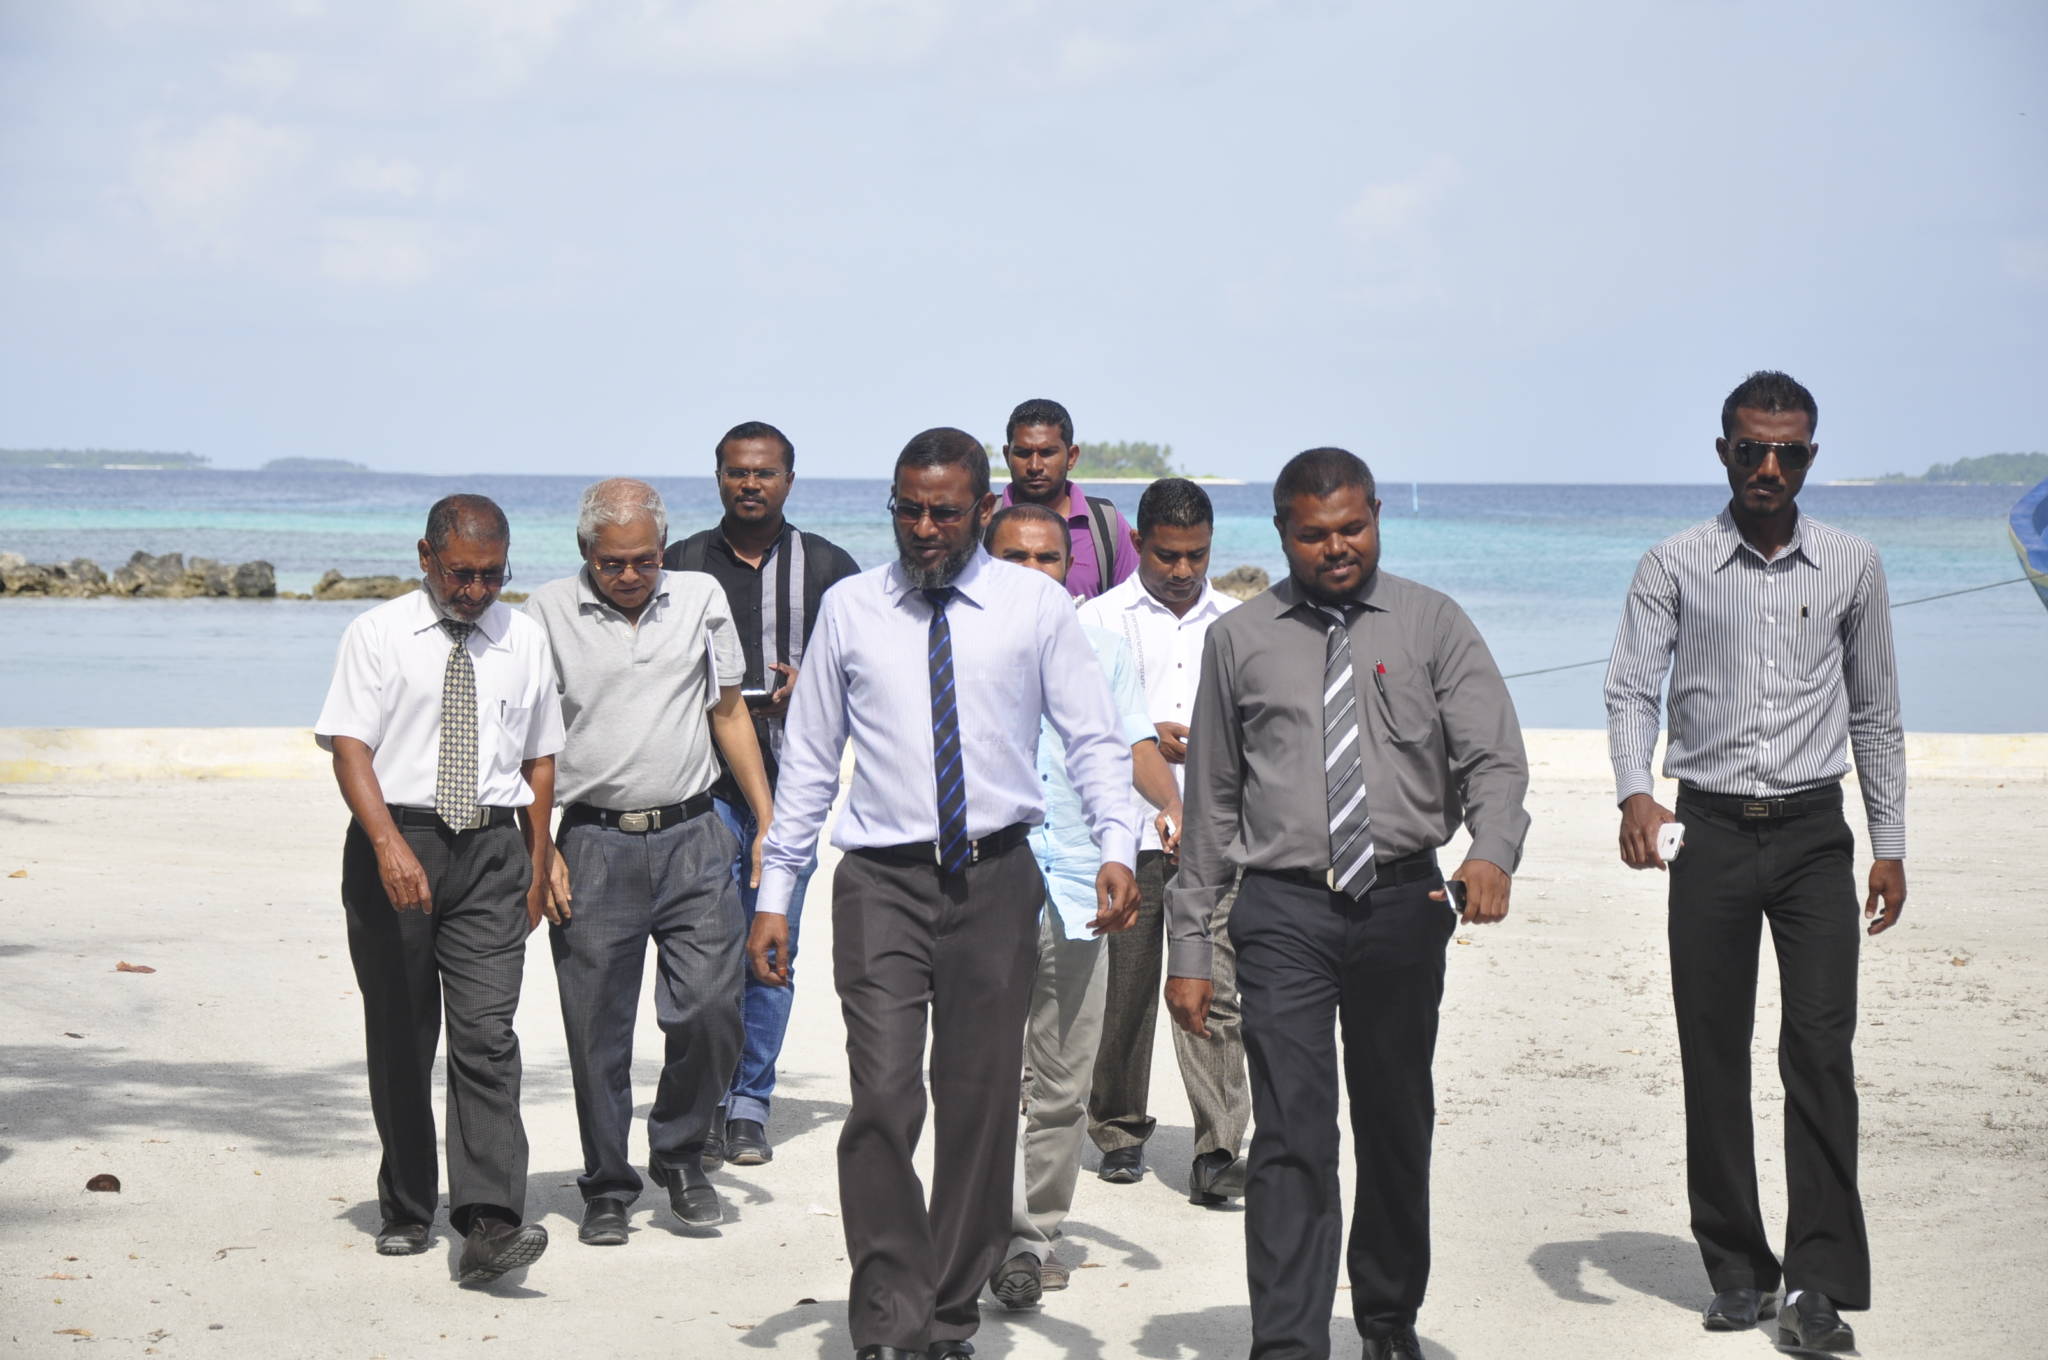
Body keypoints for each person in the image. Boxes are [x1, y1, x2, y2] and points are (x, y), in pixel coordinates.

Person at [751, 428, 1141, 1360]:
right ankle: (889, 1318)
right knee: (883, 1098)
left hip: (997, 878)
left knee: (979, 1105)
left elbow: (1091, 736)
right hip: (879, 885)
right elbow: (809, 763)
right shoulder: (850, 609)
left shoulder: (1034, 606)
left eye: (945, 512)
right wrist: (776, 891)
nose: (924, 528)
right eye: (909, 510)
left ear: (984, 509)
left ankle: (949, 1314)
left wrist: (1118, 843)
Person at [1166, 448, 1530, 1360]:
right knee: (1293, 1134)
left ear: (1376, 516)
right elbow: (1211, 804)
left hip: (1404, 904)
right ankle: (1289, 1342)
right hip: (1282, 913)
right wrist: (1190, 949)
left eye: (1353, 528)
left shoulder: (1433, 623)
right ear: (1282, 533)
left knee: (1396, 1121)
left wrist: (1491, 851)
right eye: (1314, 534)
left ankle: (1387, 1322)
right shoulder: (1238, 640)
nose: (1337, 548)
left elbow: (1493, 756)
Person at [1603, 370, 1906, 1353]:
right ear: (1723, 452)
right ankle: (1736, 1268)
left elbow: (1875, 711)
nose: (1767, 467)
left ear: (1810, 458)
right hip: (1711, 834)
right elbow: (1629, 688)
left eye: (1787, 452)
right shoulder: (1673, 563)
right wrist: (1634, 791)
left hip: (1815, 834)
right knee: (1712, 1048)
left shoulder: (1852, 565)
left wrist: (1889, 845)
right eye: (1750, 449)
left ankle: (1817, 1285)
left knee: (1818, 1050)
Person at [313, 494, 565, 1284]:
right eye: (461, 573)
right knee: (402, 1035)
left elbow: (540, 759)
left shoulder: (524, 638)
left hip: (491, 851)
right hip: (397, 842)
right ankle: (407, 1206)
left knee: (487, 1036)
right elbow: (349, 748)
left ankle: (489, 1221)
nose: (476, 590)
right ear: (425, 557)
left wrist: (538, 858)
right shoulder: (377, 634)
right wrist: (388, 844)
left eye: (492, 575)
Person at [524, 478, 774, 1245]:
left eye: (645, 560)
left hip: (695, 836)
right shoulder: (544, 613)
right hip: (592, 846)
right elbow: (529, 743)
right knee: (596, 1029)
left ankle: (679, 1151)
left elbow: (728, 711)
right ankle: (606, 1184)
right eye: (613, 563)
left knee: (711, 1009)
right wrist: (542, 850)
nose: (631, 575)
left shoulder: (700, 598)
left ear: (663, 549)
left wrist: (766, 820)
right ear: (585, 552)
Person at [978, 503, 1182, 1310]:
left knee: (1063, 1084)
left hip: (1075, 886)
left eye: (1048, 560)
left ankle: (1032, 1238)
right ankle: (983, 1230)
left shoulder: (1102, 650)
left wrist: (1170, 810)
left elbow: (1131, 746)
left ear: (1071, 569)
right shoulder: (951, 646)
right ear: (985, 560)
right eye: (1015, 558)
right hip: (983, 886)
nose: (1034, 574)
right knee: (984, 1077)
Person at [663, 421, 860, 1168]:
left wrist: (816, 686)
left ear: (789, 481)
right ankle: (706, 1099)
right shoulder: (680, 564)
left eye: (765, 472)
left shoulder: (830, 568)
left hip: (796, 786)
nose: (751, 484)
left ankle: (749, 1103)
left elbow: (870, 669)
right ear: (718, 477)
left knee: (773, 949)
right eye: (738, 472)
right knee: (703, 957)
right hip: (697, 789)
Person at [1078, 477, 1251, 1199]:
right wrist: (1146, 732)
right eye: (1168, 555)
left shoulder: (1238, 622)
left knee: (1215, 989)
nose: (1183, 570)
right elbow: (1079, 724)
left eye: (1197, 556)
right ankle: (1118, 1130)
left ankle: (1219, 1147)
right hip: (1125, 833)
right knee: (1125, 993)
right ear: (1138, 543)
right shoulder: (1096, 619)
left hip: (1215, 837)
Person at [999, 397, 1139, 600]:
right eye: (1023, 453)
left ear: (1071, 456)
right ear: (1007, 456)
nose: (1035, 466)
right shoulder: (983, 523)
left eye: (1047, 453)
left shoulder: (1106, 526)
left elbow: (1131, 606)